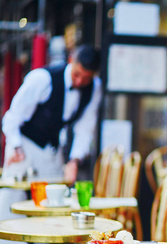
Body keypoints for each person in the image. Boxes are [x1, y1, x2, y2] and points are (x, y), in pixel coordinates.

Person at [2, 44, 102, 183]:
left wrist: (75, 160)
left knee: (51, 200)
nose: (80, 81)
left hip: (52, 151)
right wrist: (15, 146)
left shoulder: (94, 88)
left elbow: (85, 128)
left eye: (86, 79)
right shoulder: (42, 79)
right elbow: (13, 117)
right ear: (70, 60)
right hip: (24, 146)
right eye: (77, 74)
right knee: (12, 199)